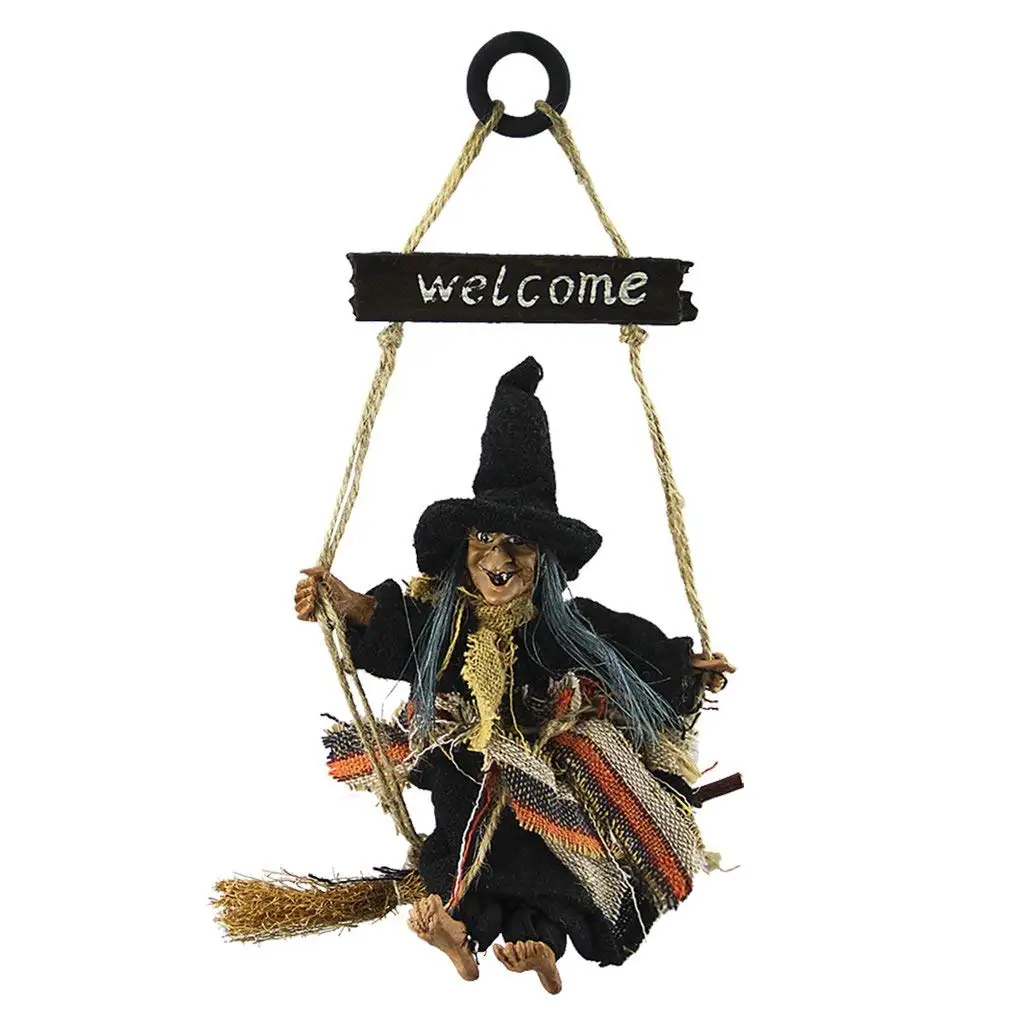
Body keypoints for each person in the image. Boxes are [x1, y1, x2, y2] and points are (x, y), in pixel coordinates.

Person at [294, 357, 732, 994]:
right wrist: (350, 606)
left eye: (518, 545)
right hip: (465, 757)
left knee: (553, 852)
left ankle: (545, 946)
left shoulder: (566, 626)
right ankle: (457, 928)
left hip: (542, 764)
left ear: (544, 558)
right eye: (485, 540)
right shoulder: (445, 623)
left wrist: (685, 668)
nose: (498, 559)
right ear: (463, 549)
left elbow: (630, 650)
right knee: (458, 835)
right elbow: (400, 635)